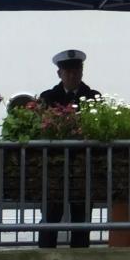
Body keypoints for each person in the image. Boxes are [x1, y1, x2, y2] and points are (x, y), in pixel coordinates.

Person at [38, 50, 100, 249]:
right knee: (50, 216)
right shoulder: (48, 97)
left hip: (83, 167)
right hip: (55, 168)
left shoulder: (92, 97)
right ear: (60, 74)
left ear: (82, 72)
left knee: (81, 218)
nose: (73, 75)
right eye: (68, 71)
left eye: (77, 71)